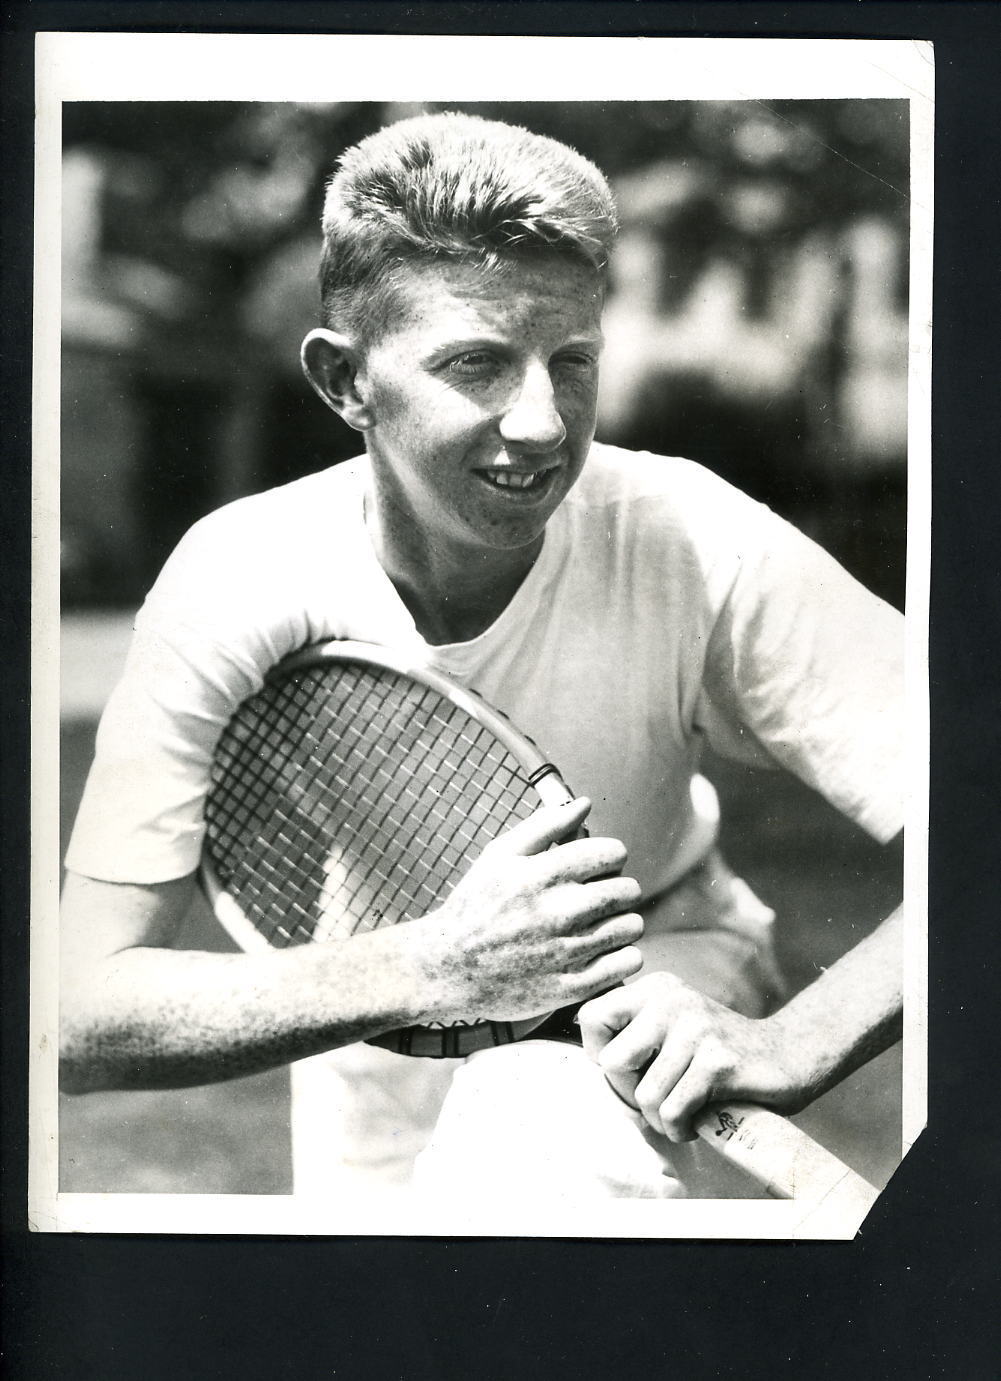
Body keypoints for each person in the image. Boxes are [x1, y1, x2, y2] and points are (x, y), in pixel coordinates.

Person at [60, 112, 903, 1207]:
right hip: (371, 1020)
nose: (545, 421)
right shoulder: (236, 576)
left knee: (539, 1178)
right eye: (477, 365)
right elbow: (74, 1017)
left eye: (573, 362)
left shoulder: (691, 536)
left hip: (642, 959)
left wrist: (793, 1042)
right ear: (343, 381)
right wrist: (433, 967)